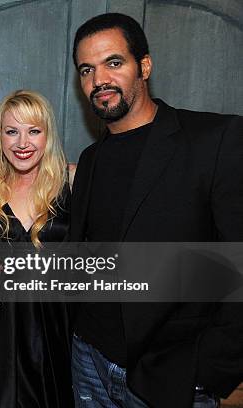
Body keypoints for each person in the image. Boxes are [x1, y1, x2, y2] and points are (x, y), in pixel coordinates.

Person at [69, 13, 243, 408]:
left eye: (114, 63)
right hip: (88, 361)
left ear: (144, 66)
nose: (99, 81)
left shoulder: (214, 140)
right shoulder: (91, 159)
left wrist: (208, 372)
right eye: (86, 70)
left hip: (171, 377)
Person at [0, 90, 73, 407]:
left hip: (58, 330)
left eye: (33, 131)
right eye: (12, 131)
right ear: (0, 136)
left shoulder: (73, 182)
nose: (22, 143)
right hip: (1, 329)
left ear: (47, 135)